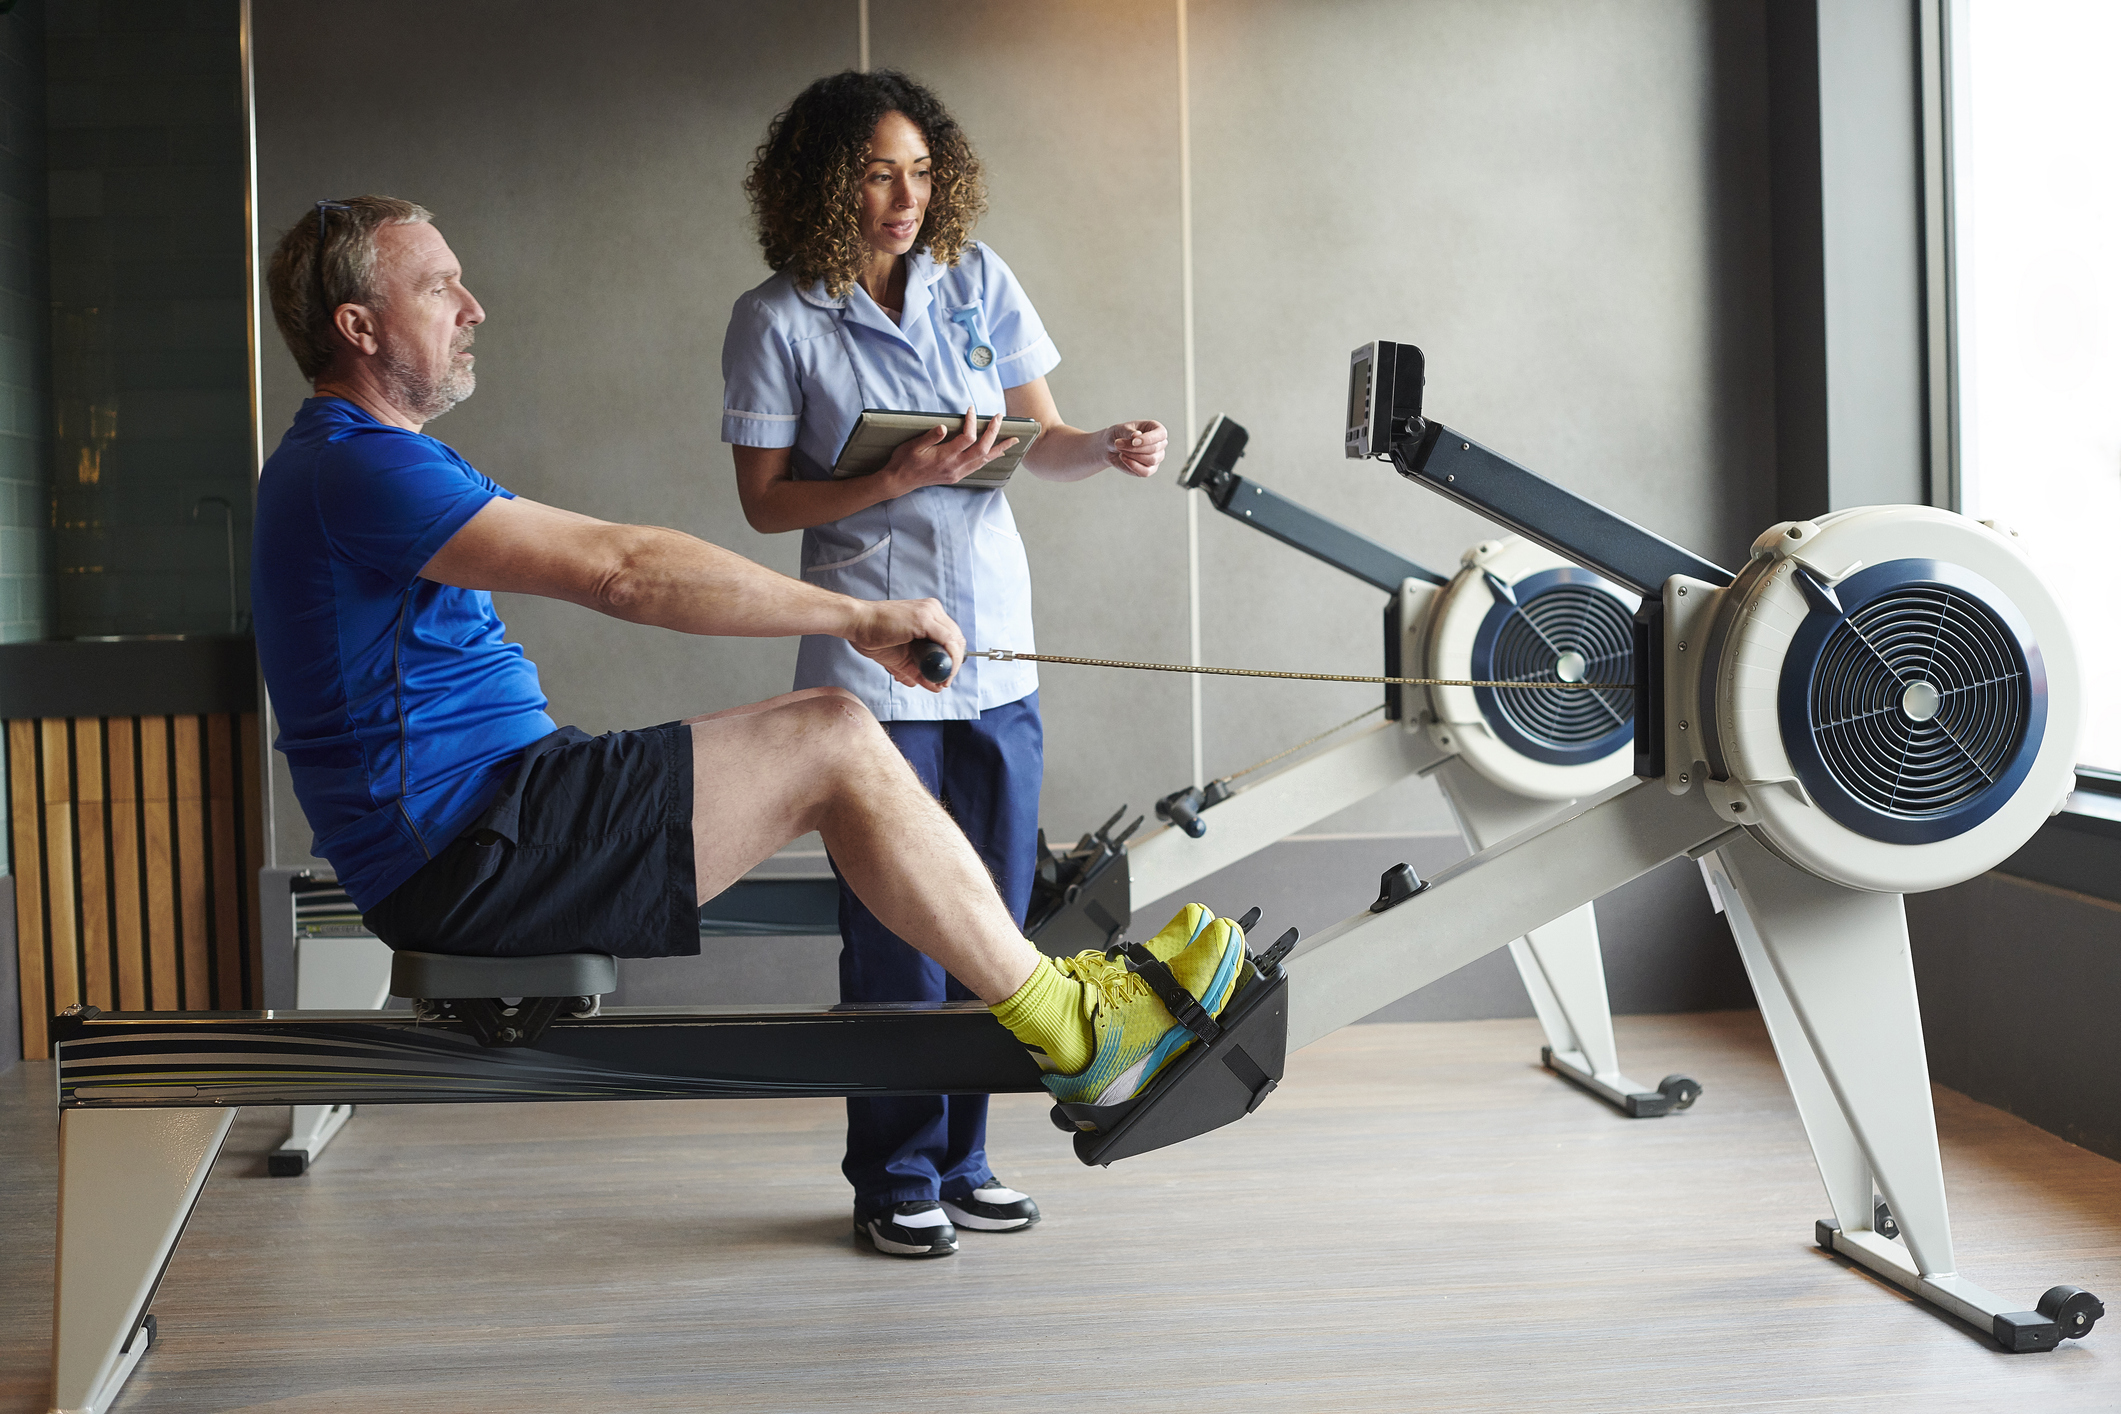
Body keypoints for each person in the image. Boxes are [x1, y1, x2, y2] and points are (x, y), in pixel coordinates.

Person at [250, 194, 1246, 1254]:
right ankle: (1082, 1031)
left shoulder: (362, 459)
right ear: (358, 327)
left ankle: (1063, 1005)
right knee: (831, 732)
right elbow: (623, 572)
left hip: (504, 812)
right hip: (472, 852)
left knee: (821, 729)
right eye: (439, 285)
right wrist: (861, 615)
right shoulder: (353, 466)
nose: (473, 305)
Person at [721, 70, 1169, 1259]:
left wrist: (1106, 446)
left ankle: (967, 1160)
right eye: (876, 171)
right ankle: (894, 1170)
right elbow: (766, 507)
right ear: (825, 179)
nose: (903, 195)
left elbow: (1044, 441)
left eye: (920, 170)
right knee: (894, 934)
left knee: (997, 920)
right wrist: (893, 477)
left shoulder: (981, 281)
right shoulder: (777, 319)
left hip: (998, 650)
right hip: (874, 661)